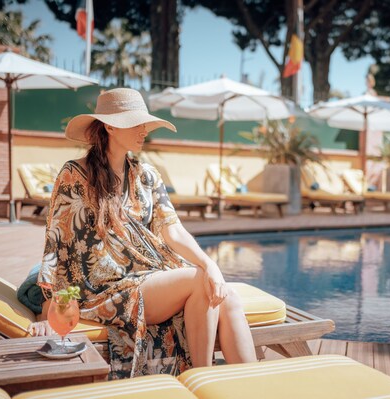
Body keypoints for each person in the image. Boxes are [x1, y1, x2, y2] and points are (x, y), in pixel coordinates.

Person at [28, 88, 256, 379]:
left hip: (148, 275)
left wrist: (211, 265)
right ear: (109, 126)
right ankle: (203, 381)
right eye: (136, 123)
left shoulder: (146, 175)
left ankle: (251, 388)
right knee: (200, 281)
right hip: (105, 289)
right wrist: (50, 308)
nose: (144, 130)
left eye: (145, 123)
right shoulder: (74, 175)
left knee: (228, 297)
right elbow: (57, 243)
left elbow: (172, 230)